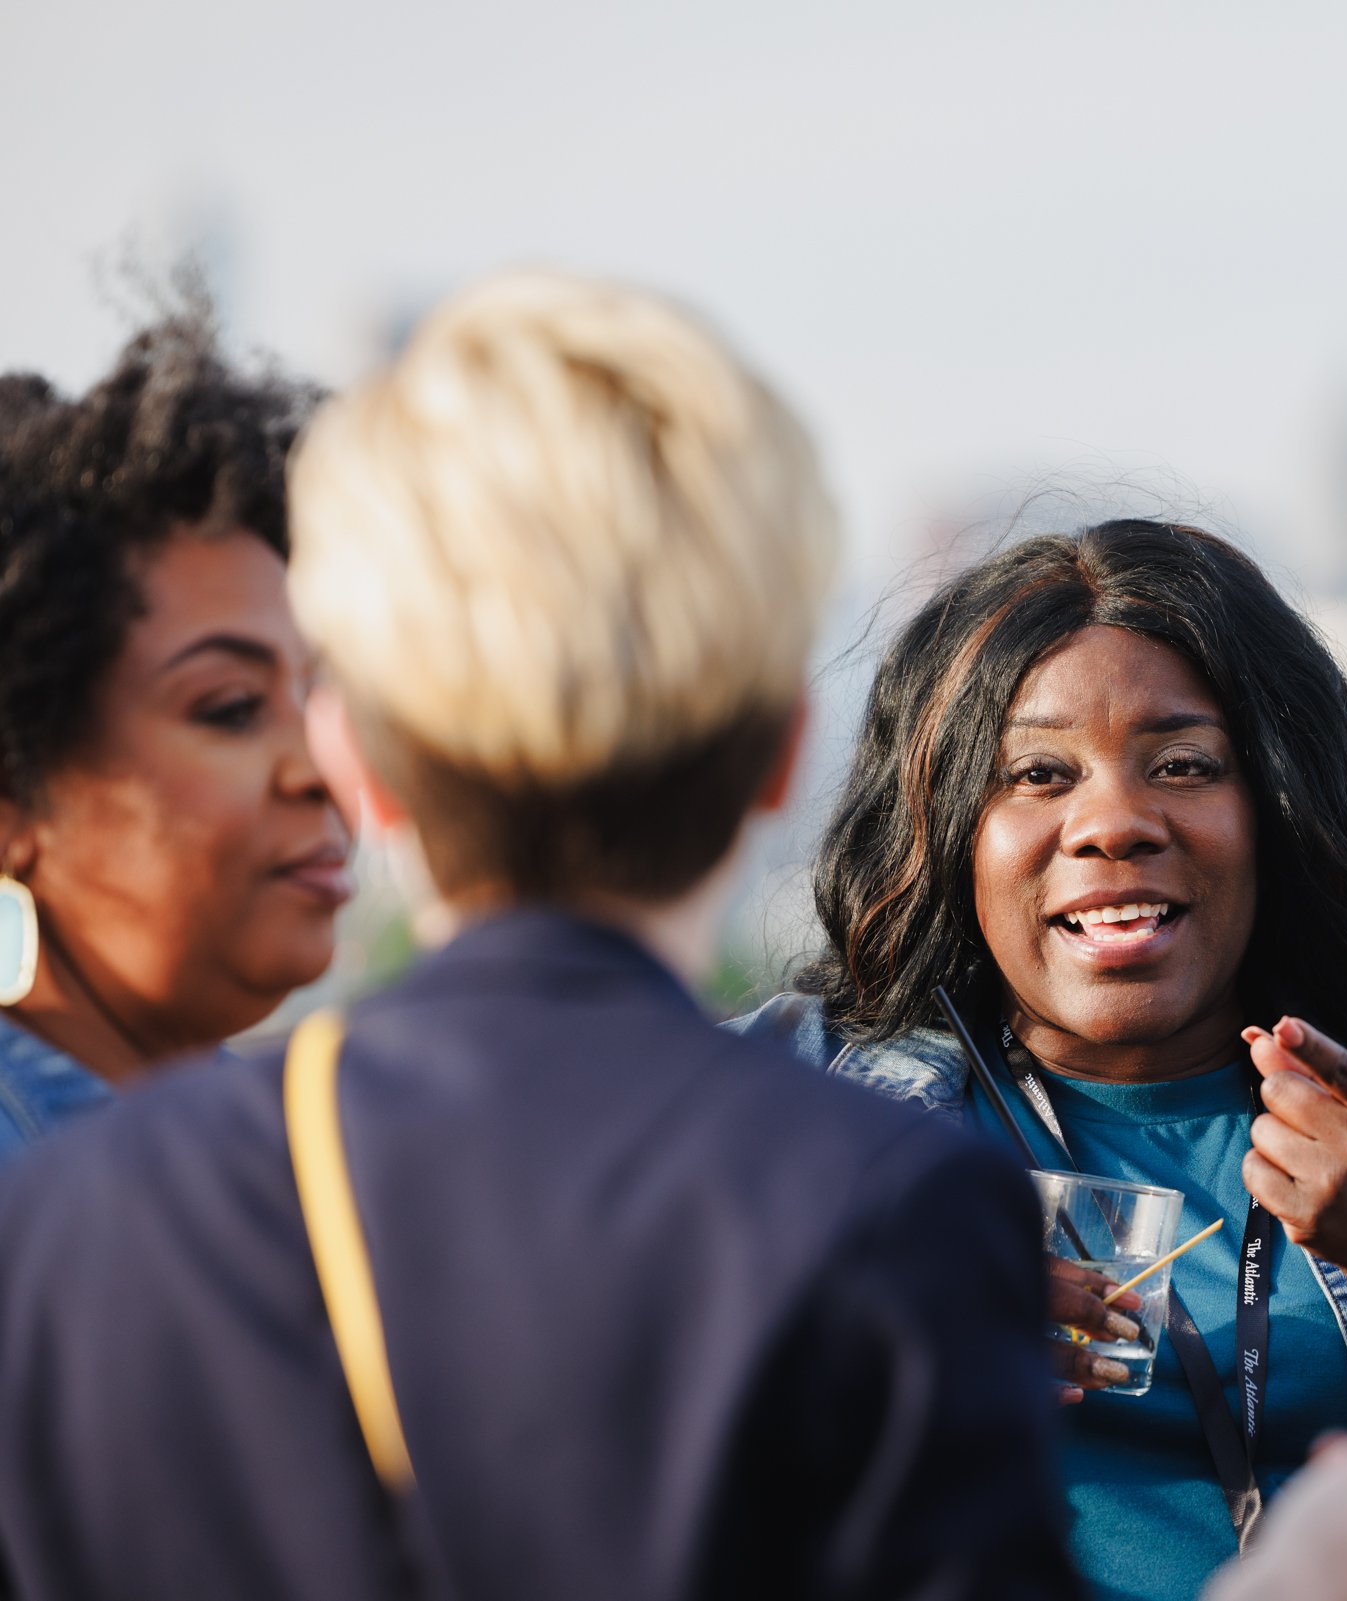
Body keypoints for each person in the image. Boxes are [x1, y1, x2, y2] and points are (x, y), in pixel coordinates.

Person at [0, 271, 1077, 1600]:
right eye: (227, 705)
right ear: (783, 753)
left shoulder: (83, 1214)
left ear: (362, 761)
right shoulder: (886, 1200)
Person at [736, 520, 1347, 1601]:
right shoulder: (785, 1107)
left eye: (1185, 764)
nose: (1113, 821)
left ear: (1280, 806)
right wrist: (873, 1344)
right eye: (1039, 773)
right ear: (950, 823)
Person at [0, 314, 346, 1161]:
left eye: (320, 692)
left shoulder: (313, 1157)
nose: (321, 768)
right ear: (14, 804)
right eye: (231, 708)